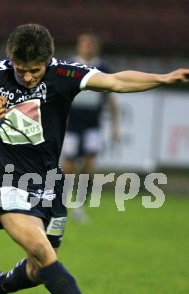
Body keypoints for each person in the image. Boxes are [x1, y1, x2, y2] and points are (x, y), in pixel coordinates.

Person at [0, 24, 189, 294]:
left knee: (39, 267)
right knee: (44, 255)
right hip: (8, 184)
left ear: (49, 60)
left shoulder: (64, 73)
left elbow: (115, 81)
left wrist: (162, 78)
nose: (28, 77)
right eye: (21, 69)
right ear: (10, 58)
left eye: (35, 70)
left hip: (51, 185)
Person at [62, 33, 119, 222]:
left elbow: (110, 98)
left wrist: (115, 125)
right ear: (79, 46)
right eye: (84, 43)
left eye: (90, 44)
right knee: (68, 165)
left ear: (96, 47)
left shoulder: (102, 68)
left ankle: (79, 207)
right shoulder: (69, 65)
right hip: (72, 123)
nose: (87, 47)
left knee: (88, 165)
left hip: (92, 124)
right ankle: (61, 202)